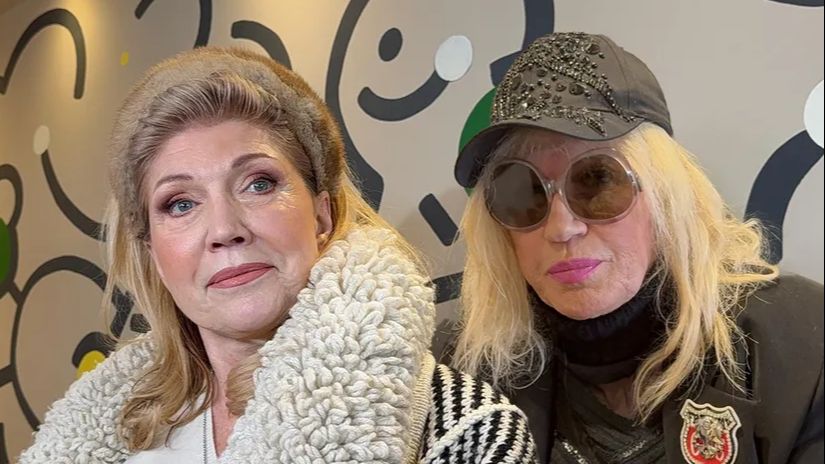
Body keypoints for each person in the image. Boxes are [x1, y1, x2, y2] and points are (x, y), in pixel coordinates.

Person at [19, 47, 537, 463]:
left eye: (259, 183)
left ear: (322, 216)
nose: (224, 230)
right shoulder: (118, 431)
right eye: (180, 203)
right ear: (153, 252)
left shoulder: (463, 426)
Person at [451, 32, 823, 463]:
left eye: (597, 180)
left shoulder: (801, 345)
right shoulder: (469, 376)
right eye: (524, 192)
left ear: (667, 194)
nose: (562, 228)